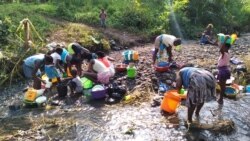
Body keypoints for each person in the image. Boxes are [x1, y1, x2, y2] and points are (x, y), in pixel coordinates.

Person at [217, 34, 232, 104]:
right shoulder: (228, 52)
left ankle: (221, 99)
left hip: (222, 71)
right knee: (222, 85)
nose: (221, 46)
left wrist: (225, 39)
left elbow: (221, 49)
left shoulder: (224, 53)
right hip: (225, 70)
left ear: (225, 47)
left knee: (222, 86)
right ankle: (221, 98)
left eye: (223, 46)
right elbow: (224, 47)